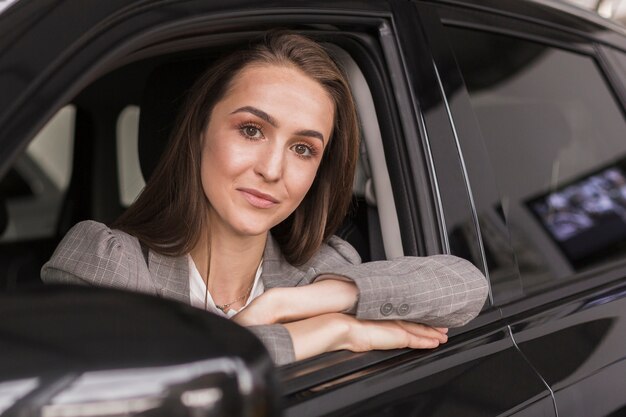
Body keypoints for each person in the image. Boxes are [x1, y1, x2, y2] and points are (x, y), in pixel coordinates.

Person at [41, 31, 489, 365]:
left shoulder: (319, 269)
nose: (272, 170)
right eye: (251, 130)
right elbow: (160, 390)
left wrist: (289, 306)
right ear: (199, 133)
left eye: (303, 148)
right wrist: (326, 333)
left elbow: (466, 287)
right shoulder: (107, 261)